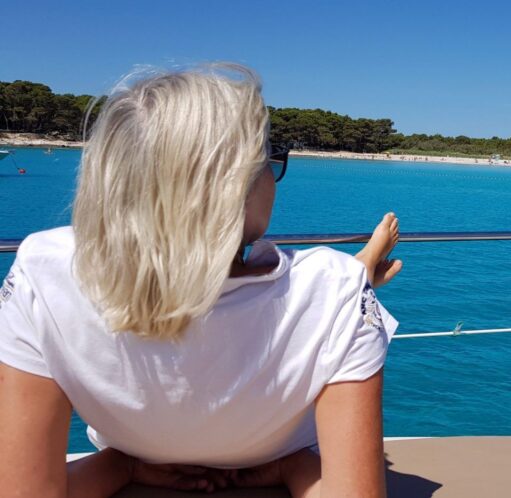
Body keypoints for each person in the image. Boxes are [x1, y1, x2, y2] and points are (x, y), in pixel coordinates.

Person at [0, 63, 401, 497]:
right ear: (232, 187)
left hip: (133, 450)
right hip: (275, 447)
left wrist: (119, 465)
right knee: (345, 290)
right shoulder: (336, 286)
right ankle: (364, 271)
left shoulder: (43, 270)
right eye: (268, 159)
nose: (273, 175)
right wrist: (294, 466)